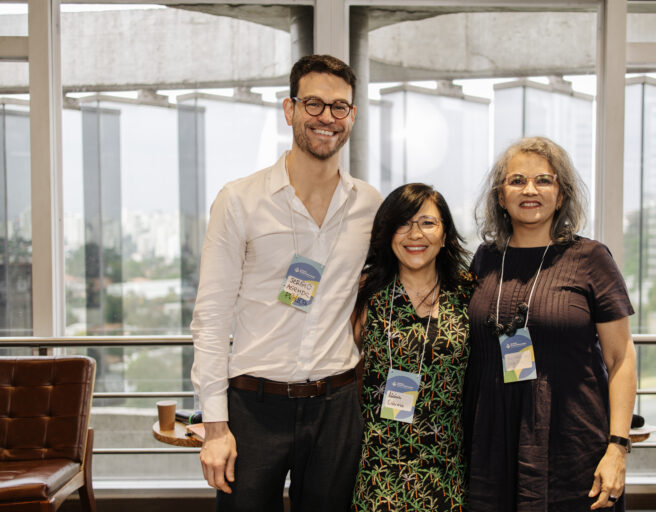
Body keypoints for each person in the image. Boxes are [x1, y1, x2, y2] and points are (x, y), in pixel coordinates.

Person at [190, 54, 382, 512]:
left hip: (338, 406)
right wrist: (215, 427)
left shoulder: (369, 205)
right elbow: (211, 318)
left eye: (339, 107)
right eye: (313, 103)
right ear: (289, 109)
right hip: (254, 405)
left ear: (352, 115)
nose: (326, 117)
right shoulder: (240, 200)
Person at [464, 136, 637, 511]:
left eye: (544, 180)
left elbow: (621, 357)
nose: (530, 190)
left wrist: (618, 447)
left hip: (572, 440)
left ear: (561, 196)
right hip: (491, 442)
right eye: (517, 180)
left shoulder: (591, 258)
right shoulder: (485, 259)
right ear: (500, 196)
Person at [350, 183, 473, 511]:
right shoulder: (366, 292)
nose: (415, 234)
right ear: (388, 234)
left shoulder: (468, 292)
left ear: (444, 235)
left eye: (428, 223)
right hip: (379, 470)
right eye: (403, 223)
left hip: (447, 469)